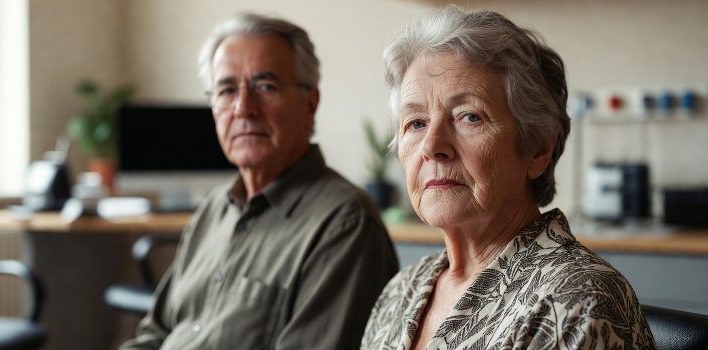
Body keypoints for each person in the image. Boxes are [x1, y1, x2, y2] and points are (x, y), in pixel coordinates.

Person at [360, 6, 655, 350]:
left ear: (537, 150)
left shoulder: (576, 300)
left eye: (469, 117)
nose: (432, 146)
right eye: (416, 123)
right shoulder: (401, 290)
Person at [121, 13, 399, 350]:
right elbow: (155, 334)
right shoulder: (213, 209)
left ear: (310, 104)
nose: (243, 108)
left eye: (266, 87)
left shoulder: (345, 224)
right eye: (226, 89)